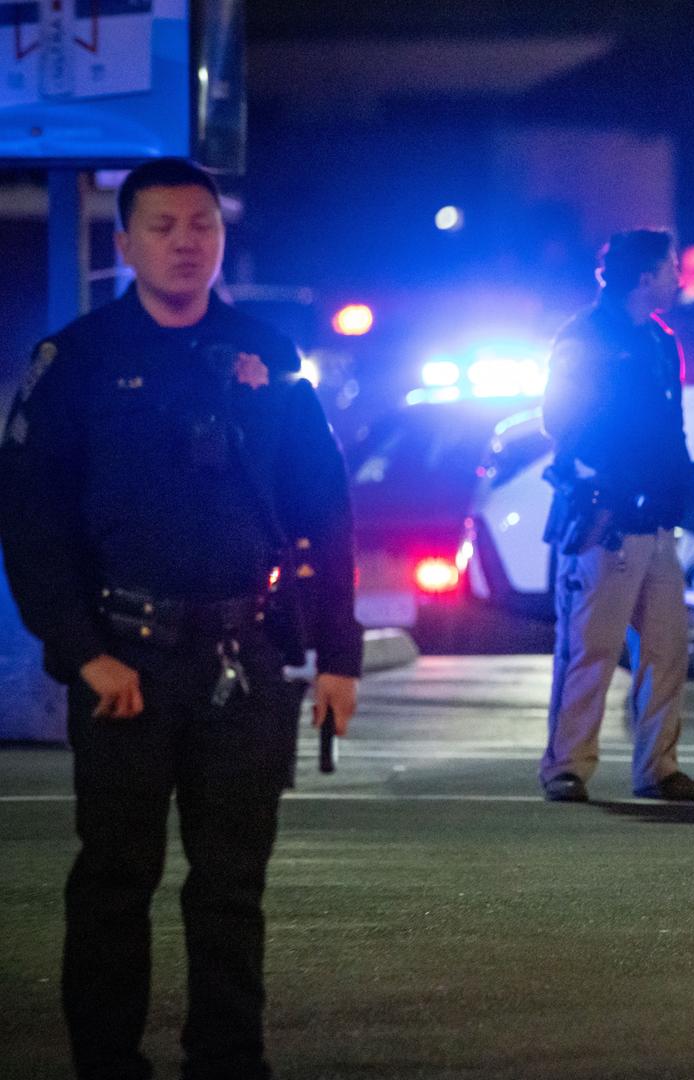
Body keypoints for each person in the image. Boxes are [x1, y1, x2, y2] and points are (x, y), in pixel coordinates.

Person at [0, 157, 361, 1080]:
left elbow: (323, 504)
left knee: (233, 888)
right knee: (115, 885)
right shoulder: (77, 361)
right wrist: (81, 653)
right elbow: (32, 522)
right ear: (123, 244)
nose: (185, 242)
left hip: (245, 657)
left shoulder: (269, 355)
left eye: (201, 224)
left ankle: (230, 1062)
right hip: (127, 661)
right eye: (162, 227)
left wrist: (337, 652)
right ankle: (107, 1066)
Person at [538, 228, 694, 804]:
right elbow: (561, 420)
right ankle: (567, 766)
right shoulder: (584, 337)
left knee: (668, 647)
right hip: (605, 516)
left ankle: (658, 767)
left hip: (655, 520)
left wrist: (677, 483)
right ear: (644, 277)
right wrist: (617, 477)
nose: (677, 277)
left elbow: (673, 425)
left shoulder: (660, 341)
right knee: (591, 646)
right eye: (670, 268)